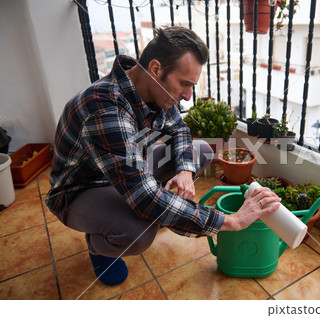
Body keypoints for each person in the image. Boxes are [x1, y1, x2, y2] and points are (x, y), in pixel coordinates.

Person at [46, 26, 280, 286]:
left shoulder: (151, 90)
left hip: (127, 170)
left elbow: (179, 129)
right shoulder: (104, 109)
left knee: (200, 150)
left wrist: (184, 172)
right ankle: (97, 245)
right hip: (82, 189)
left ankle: (158, 208)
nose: (189, 96)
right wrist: (231, 221)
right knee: (138, 231)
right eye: (185, 84)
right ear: (156, 69)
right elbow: (145, 198)